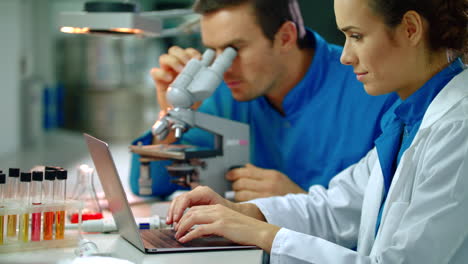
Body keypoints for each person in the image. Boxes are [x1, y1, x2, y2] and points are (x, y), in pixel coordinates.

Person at [165, 0, 468, 262]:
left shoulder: (459, 129)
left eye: (357, 36)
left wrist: (262, 233)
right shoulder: (406, 120)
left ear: (411, 29)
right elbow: (335, 207)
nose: (345, 56)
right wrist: (240, 212)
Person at [129, 0, 396, 201]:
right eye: (215, 52)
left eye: (235, 49)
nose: (225, 68)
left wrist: (301, 202)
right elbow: (150, 185)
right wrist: (170, 111)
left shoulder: (371, 87)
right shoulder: (228, 92)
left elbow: (394, 228)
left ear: (285, 38)